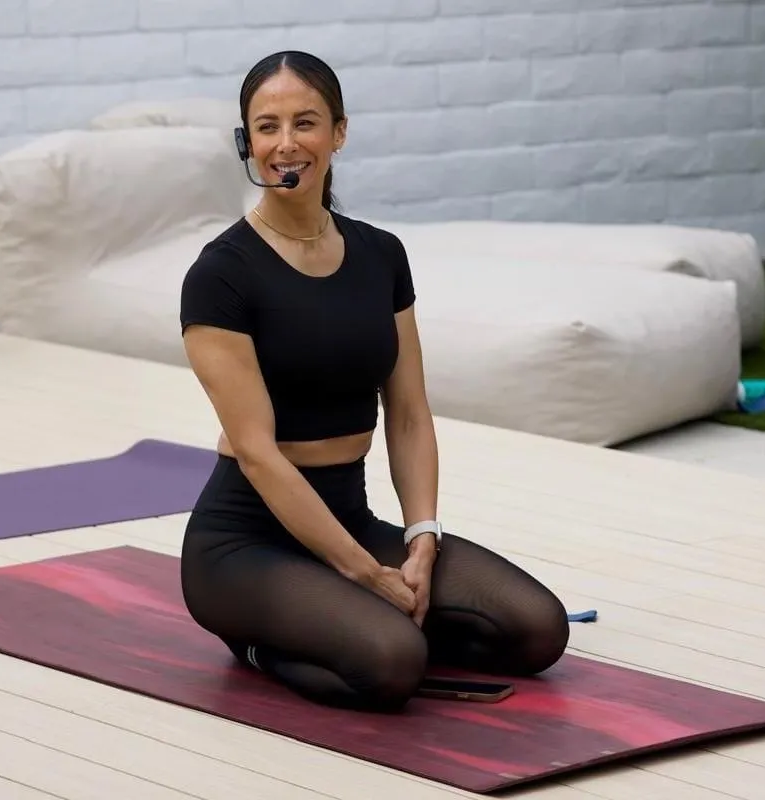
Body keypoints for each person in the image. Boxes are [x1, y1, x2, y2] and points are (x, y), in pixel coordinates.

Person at [178, 50, 570, 712]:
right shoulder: (220, 275)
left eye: (305, 122)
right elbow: (257, 452)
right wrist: (366, 575)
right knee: (393, 663)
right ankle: (258, 644)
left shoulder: (380, 255)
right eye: (267, 127)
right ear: (248, 143)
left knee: (538, 630)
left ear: (339, 132)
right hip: (245, 545)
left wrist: (422, 540)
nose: (286, 143)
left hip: (351, 518)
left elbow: (409, 413)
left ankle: (356, 619)